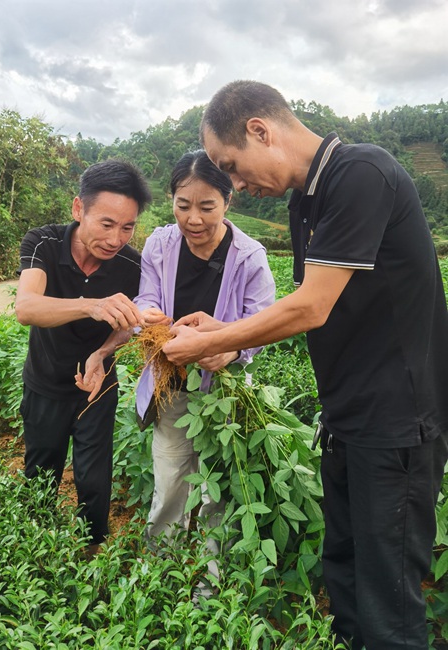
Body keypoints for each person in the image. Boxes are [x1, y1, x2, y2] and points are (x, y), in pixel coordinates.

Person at [162, 81, 448, 649]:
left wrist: (201, 348)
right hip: (348, 416)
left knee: (388, 593)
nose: (236, 184)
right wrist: (223, 331)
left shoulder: (362, 173)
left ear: (260, 131)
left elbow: (311, 306)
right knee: (344, 567)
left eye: (232, 167)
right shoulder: (306, 201)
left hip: (396, 420)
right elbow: (314, 306)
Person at [77, 149, 275, 585]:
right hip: (172, 388)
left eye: (207, 206)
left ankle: (212, 578)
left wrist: (231, 351)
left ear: (227, 202)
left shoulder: (250, 256)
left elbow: (262, 325)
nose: (194, 218)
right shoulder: (161, 244)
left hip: (225, 394)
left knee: (218, 490)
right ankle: (160, 569)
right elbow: (148, 295)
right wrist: (150, 318)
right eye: (183, 205)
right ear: (171, 201)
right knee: (169, 479)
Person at [15, 159, 151, 556]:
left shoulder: (132, 265)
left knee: (94, 479)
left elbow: (130, 322)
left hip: (98, 385)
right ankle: (32, 550)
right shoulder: (44, 242)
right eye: (106, 224)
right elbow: (27, 307)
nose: (116, 239)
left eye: (127, 227)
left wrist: (104, 350)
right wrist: (89, 305)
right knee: (42, 471)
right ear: (79, 209)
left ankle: (92, 554)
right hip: (46, 383)